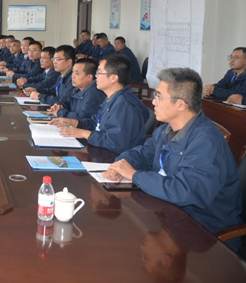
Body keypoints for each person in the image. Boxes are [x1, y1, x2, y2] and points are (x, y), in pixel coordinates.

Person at [103, 67, 242, 251]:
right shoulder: (166, 129)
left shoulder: (206, 142)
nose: (153, 102)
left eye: (159, 96)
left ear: (181, 105)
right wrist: (120, 164)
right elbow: (143, 153)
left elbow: (185, 190)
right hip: (171, 213)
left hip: (205, 232)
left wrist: (135, 175)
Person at [52, 54, 149, 154]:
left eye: (99, 72)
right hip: (104, 152)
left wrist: (84, 133)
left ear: (113, 78)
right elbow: (95, 123)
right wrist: (73, 122)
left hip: (117, 158)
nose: (95, 76)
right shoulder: (111, 98)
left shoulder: (124, 105)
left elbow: (115, 143)